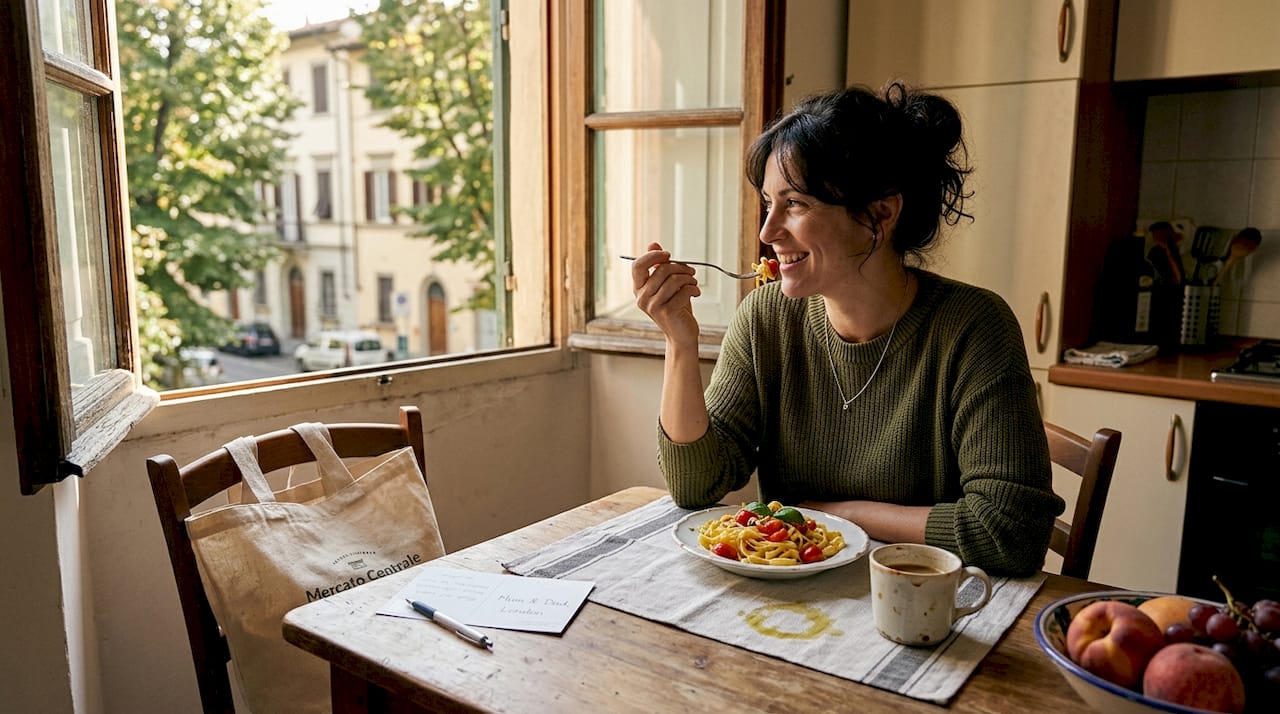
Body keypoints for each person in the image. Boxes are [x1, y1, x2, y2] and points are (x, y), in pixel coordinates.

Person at [630, 82, 1065, 577]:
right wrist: (680, 343)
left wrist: (840, 516)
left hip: (922, 603)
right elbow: (695, 485)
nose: (768, 233)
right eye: (768, 203)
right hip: (791, 609)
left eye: (794, 204)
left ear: (880, 212)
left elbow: (1010, 533)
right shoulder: (765, 319)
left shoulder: (973, 328)